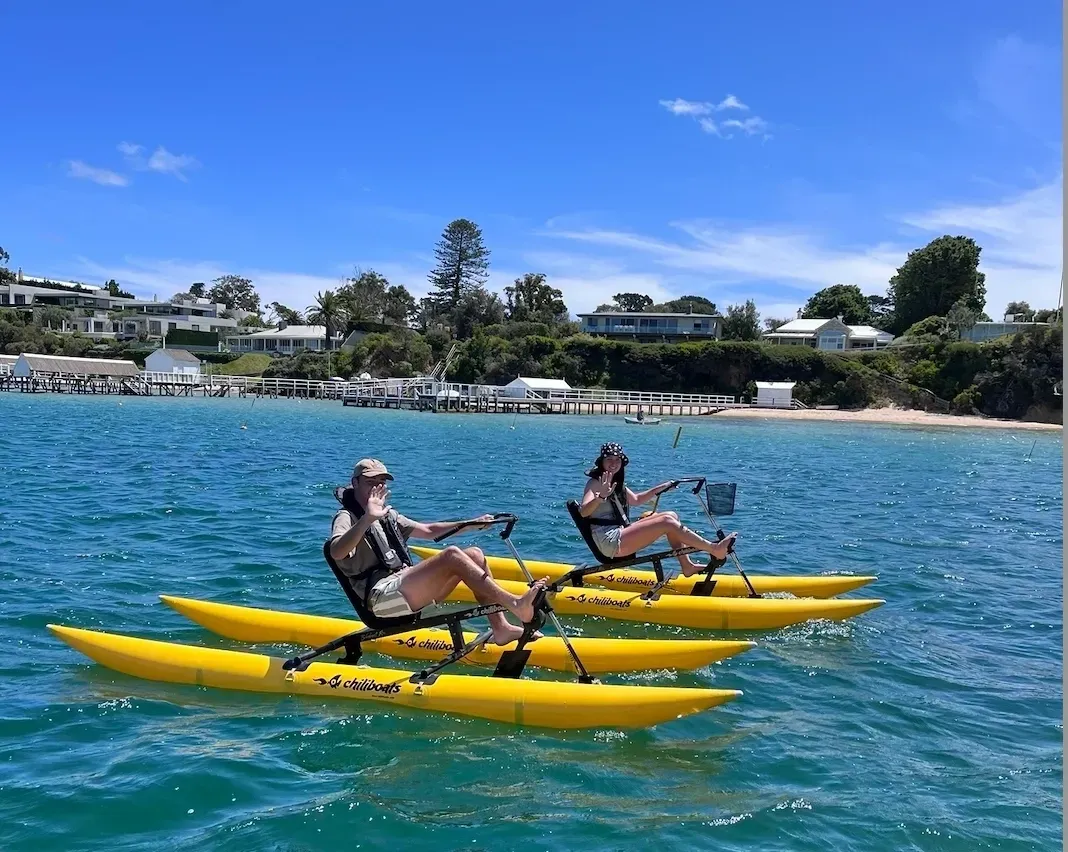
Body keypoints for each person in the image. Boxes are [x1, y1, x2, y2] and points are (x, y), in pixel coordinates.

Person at [329, 458, 547, 645]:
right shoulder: (347, 517)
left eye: (381, 483)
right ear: (354, 483)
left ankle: (501, 628)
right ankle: (516, 604)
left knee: (475, 555)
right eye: (370, 483)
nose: (377, 488)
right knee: (451, 555)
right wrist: (367, 518)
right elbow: (337, 552)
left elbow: (429, 530)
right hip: (381, 601)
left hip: (404, 587)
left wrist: (470, 523)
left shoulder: (387, 515)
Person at [578, 442, 737, 577]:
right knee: (667, 521)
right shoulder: (595, 483)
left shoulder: (615, 483)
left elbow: (637, 500)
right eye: (609, 459)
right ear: (602, 462)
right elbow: (583, 512)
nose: (613, 463)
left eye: (617, 460)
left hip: (620, 533)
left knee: (671, 515)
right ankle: (714, 548)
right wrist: (600, 497)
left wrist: (662, 488)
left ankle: (687, 566)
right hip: (610, 542)